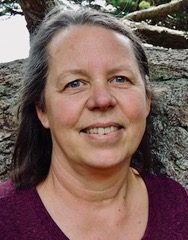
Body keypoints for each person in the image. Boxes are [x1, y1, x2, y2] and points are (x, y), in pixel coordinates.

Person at [0, 6, 187, 240]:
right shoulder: (5, 221)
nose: (102, 99)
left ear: (147, 99)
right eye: (75, 83)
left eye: (120, 78)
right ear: (42, 109)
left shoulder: (176, 205)